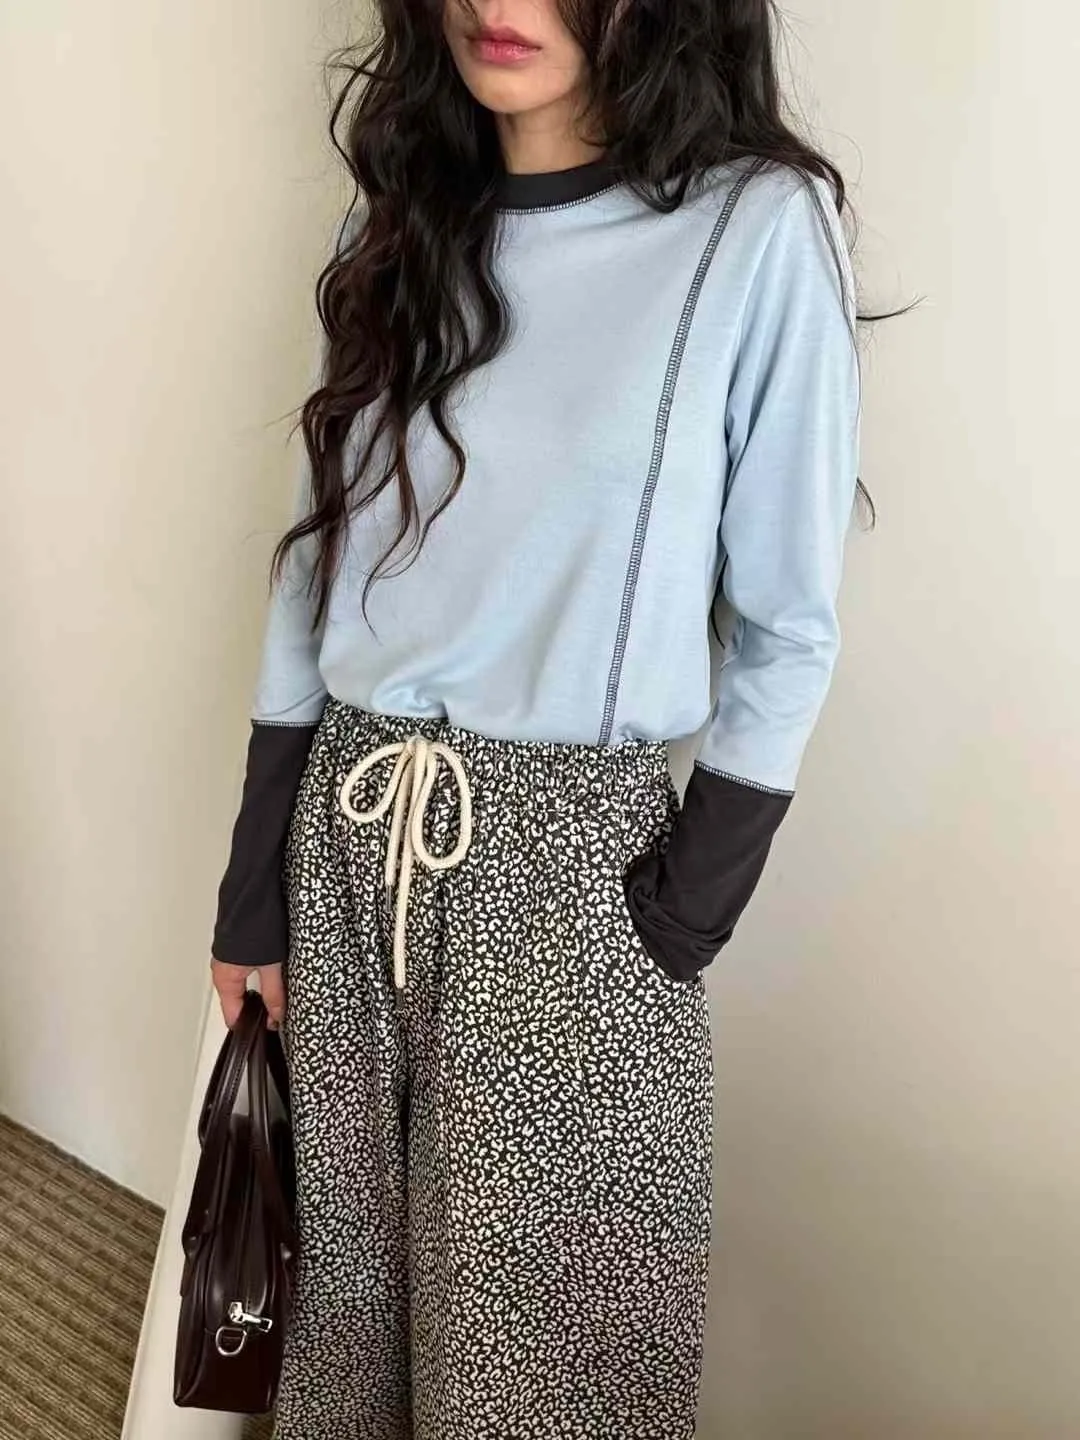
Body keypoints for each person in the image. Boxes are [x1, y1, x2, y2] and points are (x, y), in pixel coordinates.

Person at [210, 0, 862, 1435]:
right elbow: (315, 569)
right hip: (347, 830)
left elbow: (790, 620)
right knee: (339, 1349)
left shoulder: (754, 229)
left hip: (573, 878)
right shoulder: (396, 219)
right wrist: (254, 889)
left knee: (537, 1377)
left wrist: (680, 919)